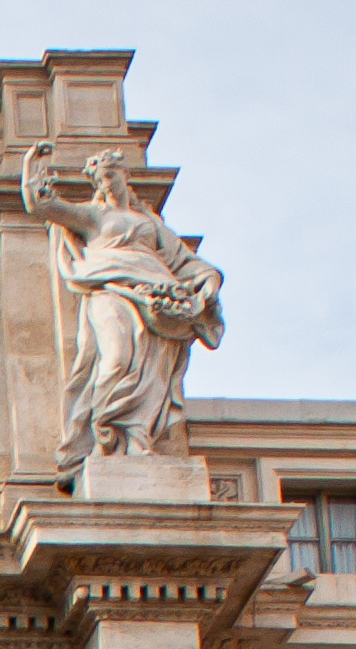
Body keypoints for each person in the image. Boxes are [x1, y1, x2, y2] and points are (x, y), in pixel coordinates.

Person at [18, 143, 225, 472]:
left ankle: (136, 440)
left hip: (155, 296)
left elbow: (184, 260)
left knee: (149, 370)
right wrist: (32, 164)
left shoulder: (148, 221)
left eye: (111, 175)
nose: (107, 183)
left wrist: (209, 280)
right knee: (115, 359)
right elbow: (40, 205)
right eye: (101, 179)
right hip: (111, 290)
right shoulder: (94, 215)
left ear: (124, 175)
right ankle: (104, 435)